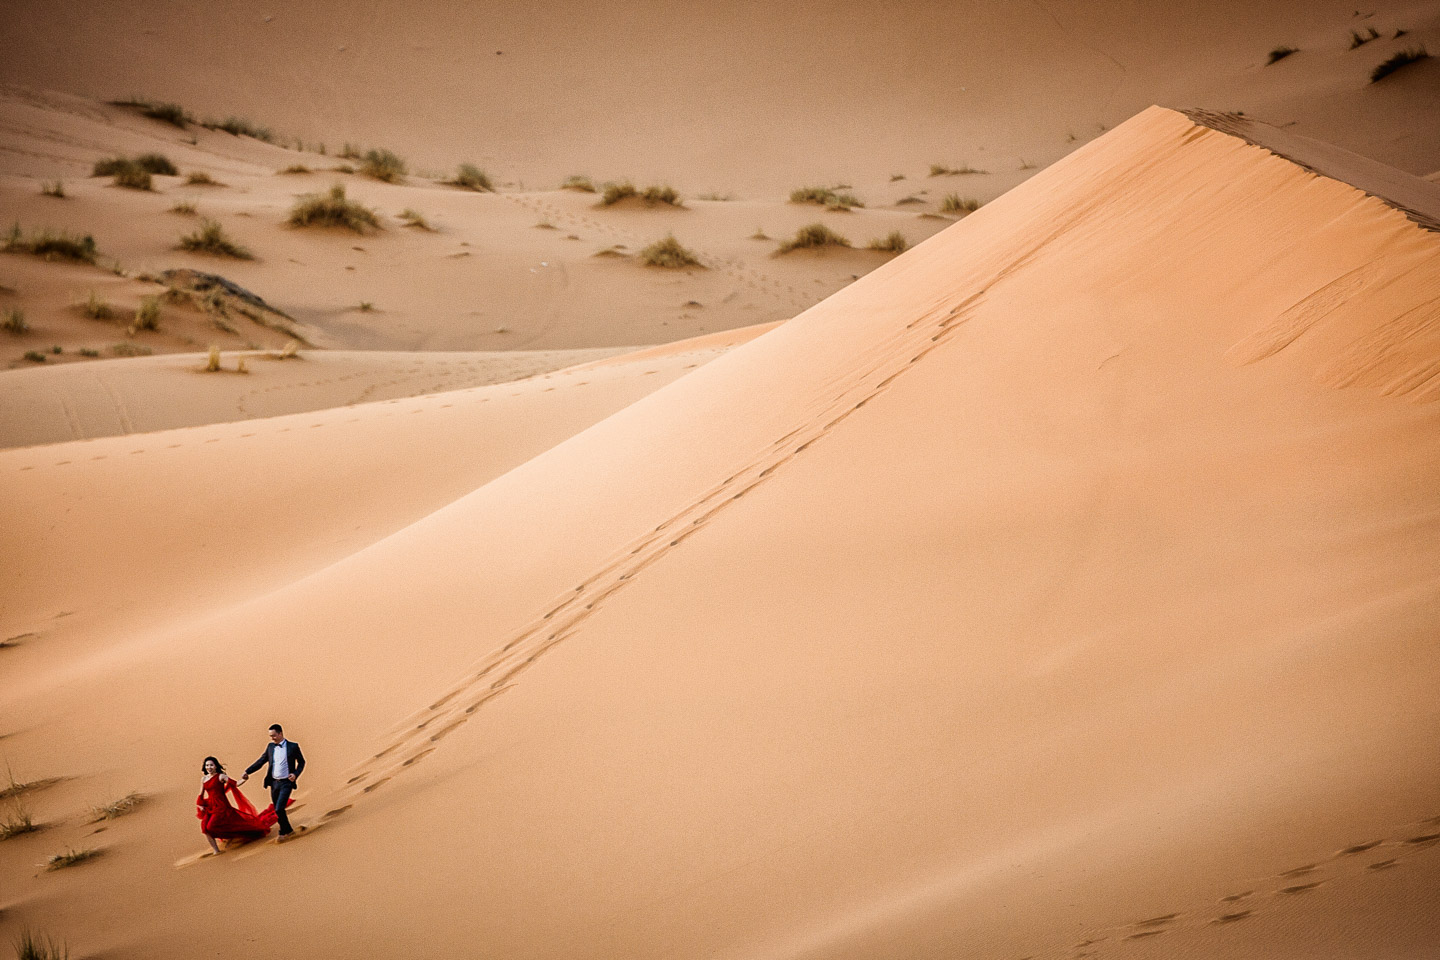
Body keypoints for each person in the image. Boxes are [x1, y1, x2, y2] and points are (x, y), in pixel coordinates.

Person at [196, 756, 283, 853]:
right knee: (205, 828)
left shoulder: (221, 776)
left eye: (211, 765)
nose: (209, 767)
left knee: (211, 826)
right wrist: (200, 804)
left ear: (216, 766)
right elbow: (201, 793)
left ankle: (232, 836)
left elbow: (235, 784)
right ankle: (216, 850)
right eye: (207, 765)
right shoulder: (204, 779)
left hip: (221, 807)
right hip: (210, 806)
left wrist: (244, 779)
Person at [237, 723, 305, 842]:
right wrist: (248, 771)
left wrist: (295, 774)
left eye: (273, 735)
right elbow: (261, 761)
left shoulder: (293, 746)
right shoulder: (270, 747)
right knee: (277, 810)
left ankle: (282, 832)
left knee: (279, 808)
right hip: (274, 783)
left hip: (286, 782)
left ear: (280, 733)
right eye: (270, 736)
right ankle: (289, 830)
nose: (272, 738)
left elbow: (301, 762)